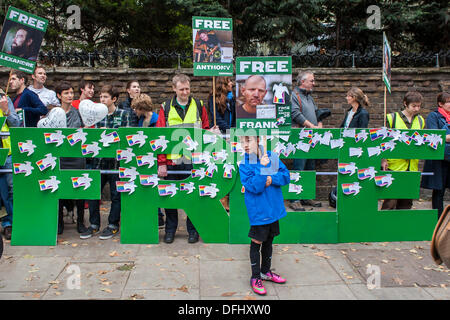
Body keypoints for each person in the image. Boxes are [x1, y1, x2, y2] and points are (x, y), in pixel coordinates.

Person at [156, 73, 210, 244]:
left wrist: (212, 134)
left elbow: (206, 130)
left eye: (187, 88)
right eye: (181, 89)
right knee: (170, 196)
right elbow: (160, 138)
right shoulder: (165, 107)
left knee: (192, 197)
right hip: (172, 161)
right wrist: (162, 163)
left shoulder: (199, 105)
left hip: (193, 159)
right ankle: (170, 231)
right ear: (174, 89)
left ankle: (193, 231)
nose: (185, 92)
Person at [239, 135, 289, 295]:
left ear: (258, 141)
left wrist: (270, 177)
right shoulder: (244, 164)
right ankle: (255, 277)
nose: (245, 145)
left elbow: (285, 176)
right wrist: (262, 167)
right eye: (242, 141)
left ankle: (265, 272)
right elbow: (254, 186)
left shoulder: (272, 156)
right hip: (259, 211)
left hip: (273, 208)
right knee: (257, 241)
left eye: (248, 141)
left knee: (269, 240)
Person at [80, 85, 130, 240]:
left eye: (105, 97)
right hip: (98, 162)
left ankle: (113, 225)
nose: (102, 100)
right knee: (93, 194)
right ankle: (94, 225)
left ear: (113, 99)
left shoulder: (123, 114)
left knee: (116, 195)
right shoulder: (96, 115)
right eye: (100, 97)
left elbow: (126, 136)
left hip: (116, 162)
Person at [381, 91, 425, 210]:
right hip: (394, 164)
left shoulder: (421, 120)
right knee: (391, 200)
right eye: (414, 106)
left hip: (412, 166)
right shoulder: (392, 118)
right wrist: (383, 159)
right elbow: (383, 140)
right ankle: (383, 226)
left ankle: (402, 227)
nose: (417, 108)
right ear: (405, 104)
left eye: (419, 106)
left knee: (406, 202)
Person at [55, 81, 87, 235]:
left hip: (76, 156)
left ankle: (81, 221)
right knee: (60, 189)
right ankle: (59, 221)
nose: (69, 95)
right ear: (59, 96)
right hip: (60, 157)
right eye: (66, 93)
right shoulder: (53, 113)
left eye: (71, 92)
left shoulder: (77, 112)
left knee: (79, 189)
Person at [130, 93, 165, 228]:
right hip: (143, 157)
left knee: (154, 185)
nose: (134, 111)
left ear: (142, 108)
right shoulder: (141, 120)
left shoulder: (156, 120)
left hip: (154, 158)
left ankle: (158, 215)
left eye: (136, 108)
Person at [289, 71, 322, 211]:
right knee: (299, 168)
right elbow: (295, 114)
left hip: (311, 138)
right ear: (303, 82)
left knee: (310, 168)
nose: (314, 83)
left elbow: (316, 112)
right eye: (311, 81)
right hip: (300, 138)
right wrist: (312, 126)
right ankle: (295, 199)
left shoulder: (310, 97)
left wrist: (319, 124)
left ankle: (306, 195)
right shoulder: (294, 95)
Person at [421, 92, 450, 219]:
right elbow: (436, 136)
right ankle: (438, 220)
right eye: (449, 102)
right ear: (441, 104)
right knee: (439, 190)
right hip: (439, 159)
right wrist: (446, 137)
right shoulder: (434, 116)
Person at [0, 89, 20, 240]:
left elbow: (16, 123)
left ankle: (10, 223)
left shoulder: (4, 98)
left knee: (11, 190)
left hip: (7, 153)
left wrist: (6, 110)